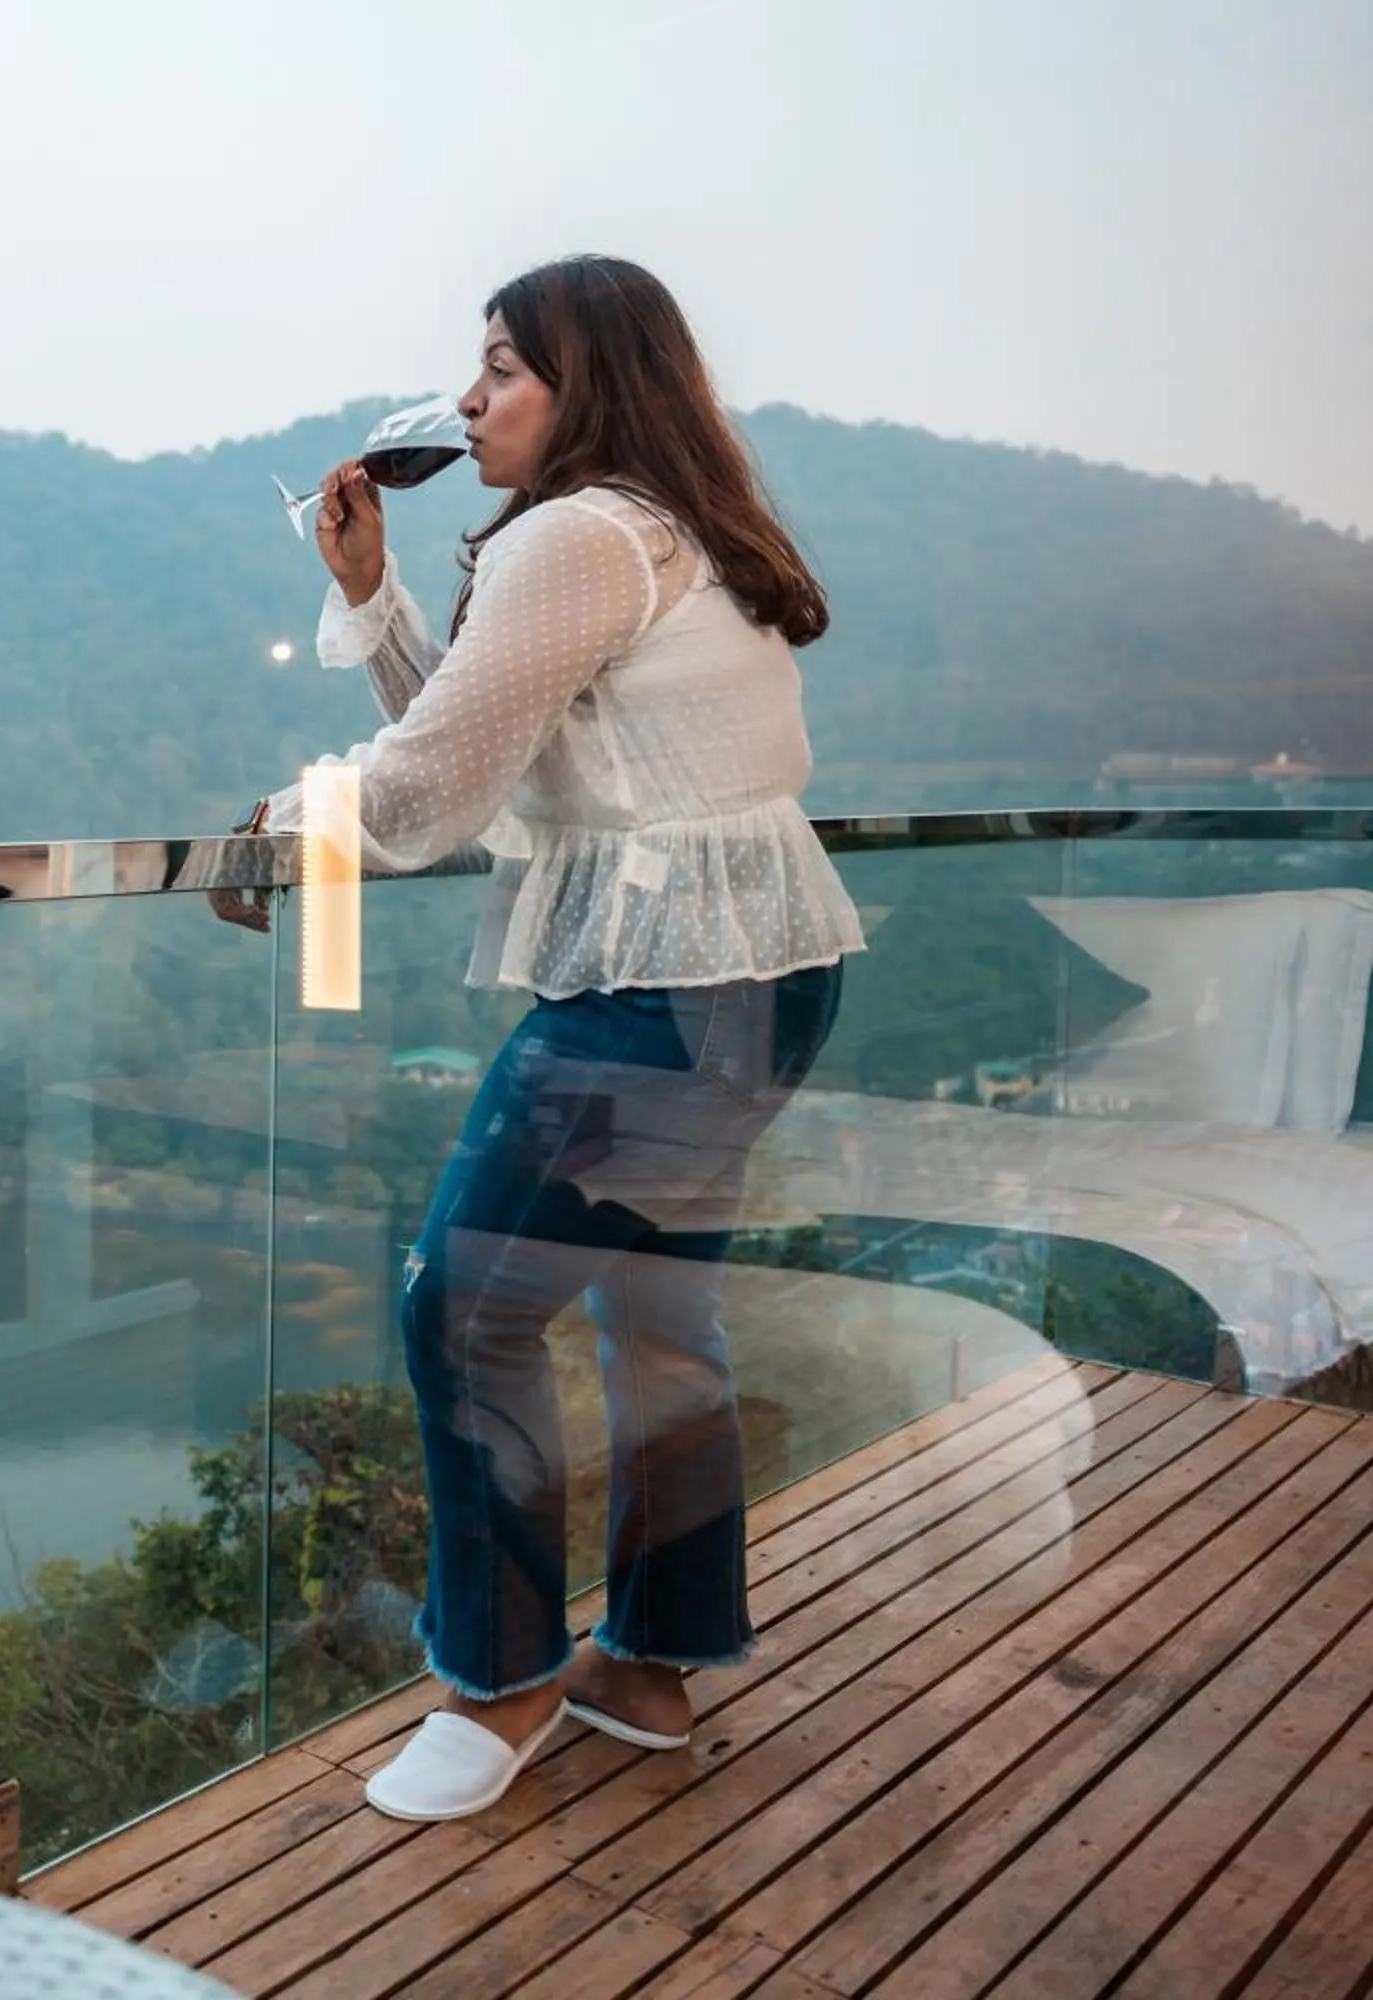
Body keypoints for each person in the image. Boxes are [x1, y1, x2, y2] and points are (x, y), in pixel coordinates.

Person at [228, 254, 865, 1822]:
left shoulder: (578, 536)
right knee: (656, 1317)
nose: (467, 398)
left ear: (593, 389)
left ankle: (498, 1687)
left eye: (504, 367)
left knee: (466, 1310)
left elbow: (431, 789)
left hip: (667, 985)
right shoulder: (655, 527)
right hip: (760, 965)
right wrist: (375, 595)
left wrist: (283, 826)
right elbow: (493, 744)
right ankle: (646, 1668)